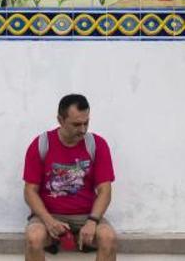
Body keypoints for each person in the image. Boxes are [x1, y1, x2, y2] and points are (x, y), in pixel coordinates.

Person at [23, 94, 117, 261]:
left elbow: (105, 190)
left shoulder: (97, 145)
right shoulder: (41, 144)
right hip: (49, 214)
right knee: (33, 238)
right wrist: (49, 221)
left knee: (108, 238)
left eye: (86, 123)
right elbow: (30, 191)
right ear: (60, 120)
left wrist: (93, 221)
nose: (82, 129)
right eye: (76, 124)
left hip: (87, 215)